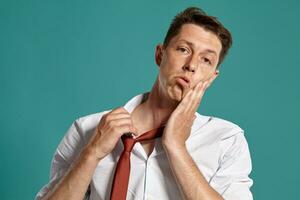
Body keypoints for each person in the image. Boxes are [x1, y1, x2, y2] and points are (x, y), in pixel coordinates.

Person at [35, 6, 253, 200]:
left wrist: (176, 147)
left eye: (206, 59)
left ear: (212, 77)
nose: (192, 65)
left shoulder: (226, 140)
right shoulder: (87, 129)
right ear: (160, 54)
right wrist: (91, 154)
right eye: (184, 49)